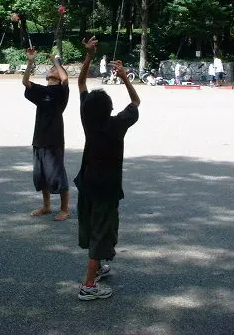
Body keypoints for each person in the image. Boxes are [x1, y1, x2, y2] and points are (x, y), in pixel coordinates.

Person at [75, 36, 140, 301]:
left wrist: (89, 56)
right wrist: (125, 77)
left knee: (90, 226)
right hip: (107, 187)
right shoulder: (117, 124)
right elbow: (136, 103)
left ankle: (99, 267)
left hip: (87, 182)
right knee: (103, 231)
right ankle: (88, 285)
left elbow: (80, 83)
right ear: (111, 109)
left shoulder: (87, 119)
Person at [22, 47, 70, 221]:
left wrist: (55, 61)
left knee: (57, 174)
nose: (52, 70)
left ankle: (65, 209)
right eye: (51, 69)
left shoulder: (61, 92)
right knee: (41, 174)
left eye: (55, 70)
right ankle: (47, 206)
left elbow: (65, 79)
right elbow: (25, 82)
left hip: (54, 139)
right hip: (39, 138)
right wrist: (30, 62)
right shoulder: (42, 91)